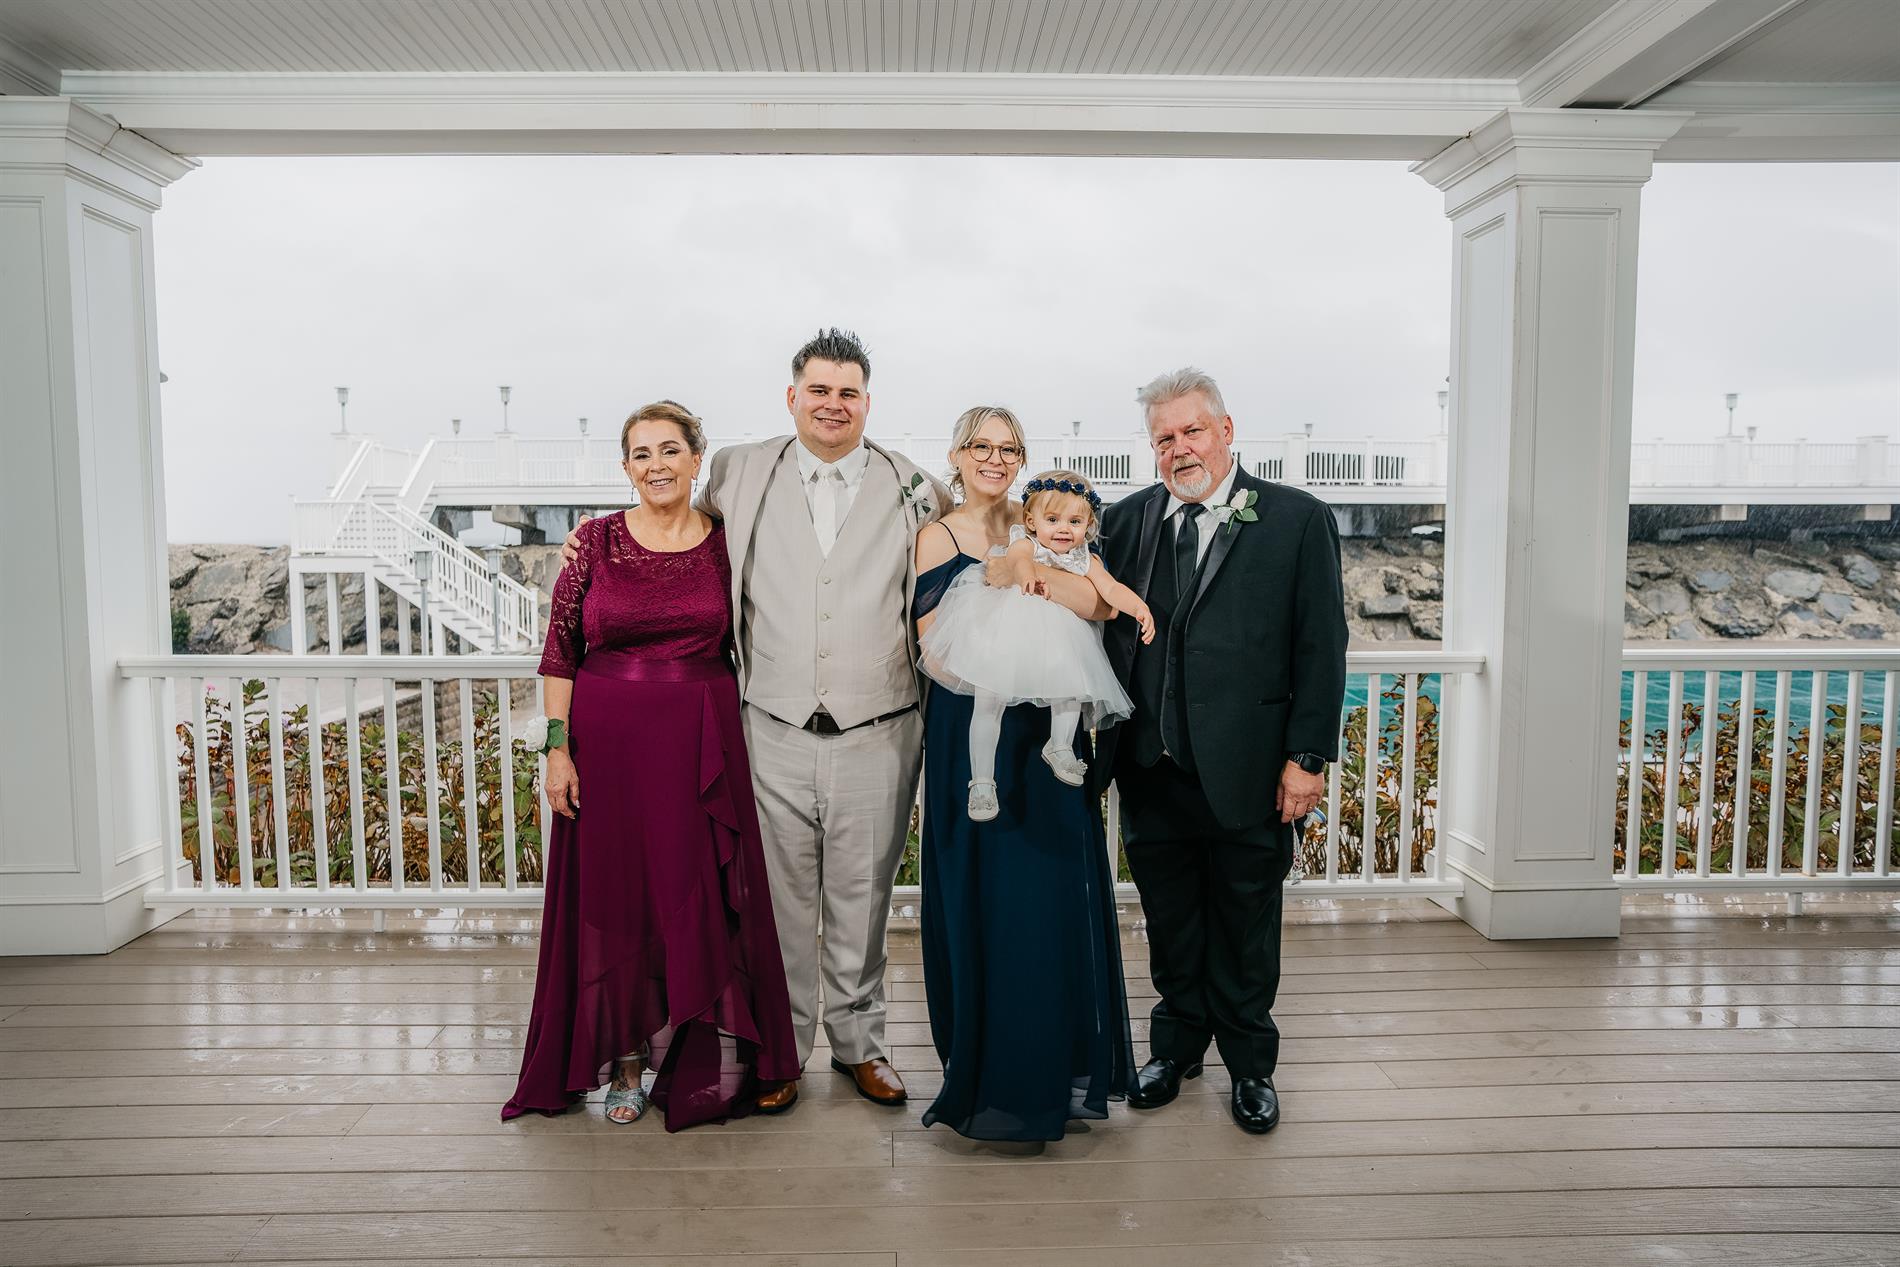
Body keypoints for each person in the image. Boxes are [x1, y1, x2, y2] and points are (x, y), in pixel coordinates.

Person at [561, 329, 951, 1114]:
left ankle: (860, 1043)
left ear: (867, 401)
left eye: (848, 393)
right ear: (792, 396)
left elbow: (968, 544)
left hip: (880, 727)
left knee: (864, 897)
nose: (833, 404)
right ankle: (783, 1047)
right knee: (777, 904)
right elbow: (668, 520)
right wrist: (590, 540)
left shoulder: (917, 487)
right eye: (819, 390)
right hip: (768, 728)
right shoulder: (740, 471)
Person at [502, 400, 800, 1131]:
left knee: (696, 895)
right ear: (626, 467)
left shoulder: (728, 543)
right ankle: (627, 1060)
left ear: (698, 458)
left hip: (700, 744)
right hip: (607, 747)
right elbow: (559, 652)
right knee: (618, 900)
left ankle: (700, 1050)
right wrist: (557, 749)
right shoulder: (594, 543)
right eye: (641, 453)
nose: (657, 465)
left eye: (670, 450)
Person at [1091, 368, 1348, 1135]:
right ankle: (1175, 1049)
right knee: (1170, 921)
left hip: (1251, 769)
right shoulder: (1126, 521)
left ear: (1226, 431)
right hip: (1151, 766)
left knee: (1244, 925)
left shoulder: (1296, 518)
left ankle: (1250, 1064)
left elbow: (1321, 645)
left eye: (1192, 431)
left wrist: (1308, 756)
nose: (1179, 448)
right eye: (1164, 438)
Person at [913, 407, 1135, 1142]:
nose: (994, 458)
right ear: (956, 454)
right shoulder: (938, 535)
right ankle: (988, 1073)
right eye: (980, 445)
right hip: (974, 727)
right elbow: (932, 646)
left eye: (1008, 448)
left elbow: (1097, 602)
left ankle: (1055, 1067)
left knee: (1048, 899)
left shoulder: (1044, 518)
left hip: (1048, 733)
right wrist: (999, 663)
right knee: (984, 897)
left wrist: (1029, 577)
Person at [919, 468, 1151, 820]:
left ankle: (1060, 745)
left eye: (1075, 521)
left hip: (1056, 639)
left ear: (1088, 524)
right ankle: (981, 781)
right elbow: (1018, 561)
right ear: (1031, 520)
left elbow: (1109, 589)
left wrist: (1139, 608)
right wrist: (1027, 576)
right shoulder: (1024, 542)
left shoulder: (1083, 557)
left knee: (1072, 682)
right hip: (1004, 631)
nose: (1063, 529)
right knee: (988, 701)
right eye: (1052, 519)